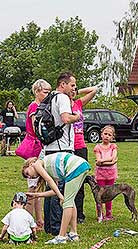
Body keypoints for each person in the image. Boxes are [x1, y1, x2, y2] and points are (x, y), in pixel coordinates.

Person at [22, 152, 90, 244]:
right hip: (82, 165)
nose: (30, 177)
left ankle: (61, 237)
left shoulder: (37, 164)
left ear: (30, 164)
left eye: (27, 173)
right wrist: (37, 195)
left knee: (67, 202)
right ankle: (73, 233)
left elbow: (49, 181)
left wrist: (60, 196)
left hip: (75, 167)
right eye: (28, 177)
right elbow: (55, 190)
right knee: (70, 200)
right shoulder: (50, 170)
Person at [43, 72, 80, 236]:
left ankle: (50, 226)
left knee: (50, 186)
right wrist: (76, 116)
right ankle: (58, 227)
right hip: (62, 148)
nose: (74, 88)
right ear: (62, 84)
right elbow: (65, 118)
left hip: (50, 148)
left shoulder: (51, 97)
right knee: (60, 189)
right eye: (72, 85)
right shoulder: (63, 98)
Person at [22, 79, 51, 231]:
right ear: (37, 91)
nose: (48, 94)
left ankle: (39, 220)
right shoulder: (34, 107)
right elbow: (37, 128)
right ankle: (30, 221)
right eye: (45, 92)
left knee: (38, 187)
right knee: (33, 188)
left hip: (39, 147)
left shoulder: (40, 106)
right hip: (35, 148)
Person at [71, 85, 97, 224]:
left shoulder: (78, 103)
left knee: (80, 180)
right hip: (67, 145)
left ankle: (79, 213)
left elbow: (94, 90)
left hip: (80, 145)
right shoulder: (60, 102)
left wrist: (76, 91)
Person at [94, 125, 118, 222]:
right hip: (100, 175)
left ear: (112, 137)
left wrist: (103, 161)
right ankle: (100, 214)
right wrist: (110, 161)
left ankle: (109, 214)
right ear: (101, 135)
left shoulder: (113, 146)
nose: (107, 136)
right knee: (99, 195)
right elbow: (98, 160)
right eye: (105, 134)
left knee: (109, 194)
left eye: (109, 135)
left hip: (111, 174)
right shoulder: (98, 147)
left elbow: (112, 159)